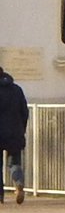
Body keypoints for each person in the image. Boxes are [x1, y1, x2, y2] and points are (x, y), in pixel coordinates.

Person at [0, 66, 29, 205]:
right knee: (14, 163)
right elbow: (24, 112)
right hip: (15, 133)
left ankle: (0, 196)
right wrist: (21, 129)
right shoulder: (16, 89)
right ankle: (18, 183)